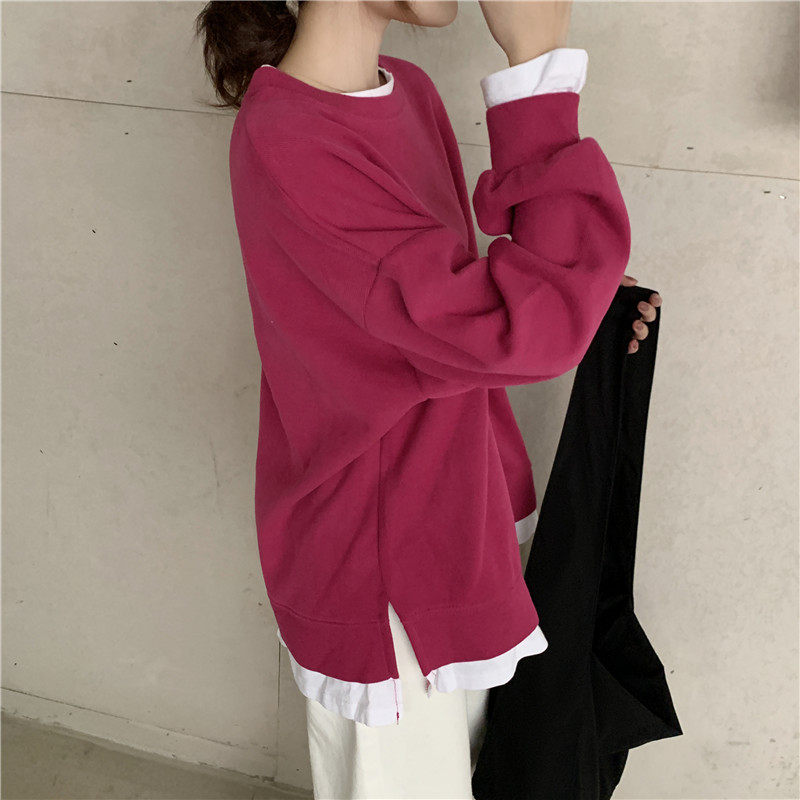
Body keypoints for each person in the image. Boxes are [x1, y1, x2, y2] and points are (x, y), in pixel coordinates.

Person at [196, 2, 661, 797]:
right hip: (384, 570)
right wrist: (536, 62)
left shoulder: (405, 90)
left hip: (457, 514)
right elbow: (510, 328)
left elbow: (449, 309)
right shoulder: (289, 138)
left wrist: (581, 302)